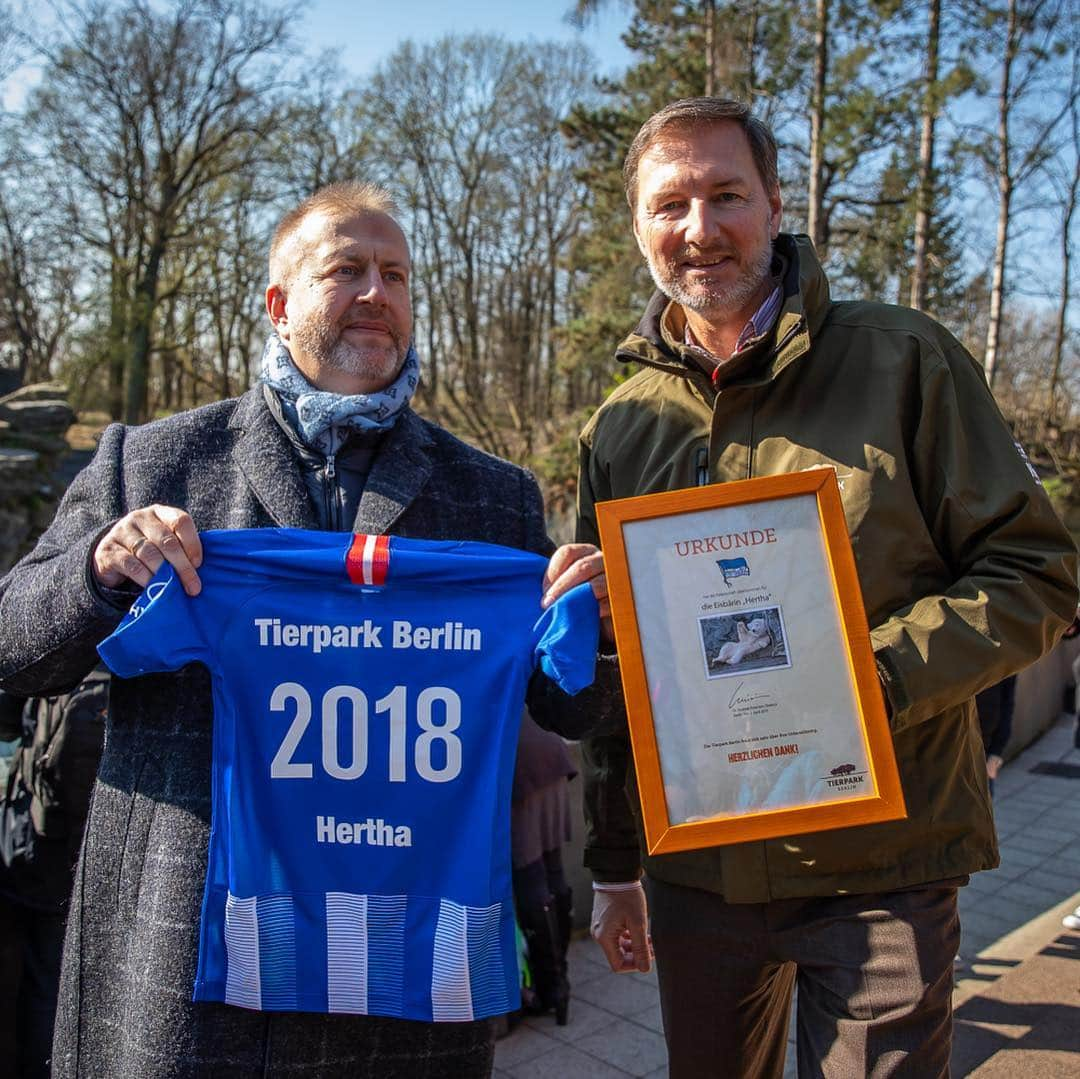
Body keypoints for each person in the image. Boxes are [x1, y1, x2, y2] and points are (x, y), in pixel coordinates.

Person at [0, 182, 603, 1079]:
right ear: (280, 306)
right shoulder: (155, 461)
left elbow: (566, 705)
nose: (377, 293)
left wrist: (582, 624)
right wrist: (99, 567)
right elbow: (14, 642)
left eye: (396, 274)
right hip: (188, 959)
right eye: (347, 269)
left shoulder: (493, 495)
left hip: (401, 972)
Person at [577, 98, 1078, 1078]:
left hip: (884, 859)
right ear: (637, 226)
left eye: (726, 194)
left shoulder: (905, 360)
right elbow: (618, 671)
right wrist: (612, 863)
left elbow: (1038, 574)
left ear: (773, 203)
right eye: (669, 203)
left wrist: (867, 679)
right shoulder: (620, 427)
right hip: (702, 871)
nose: (699, 227)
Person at [0, 672, 108, 1079]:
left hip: (43, 852)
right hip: (108, 856)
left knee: (46, 984)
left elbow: (7, 717)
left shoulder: (58, 649)